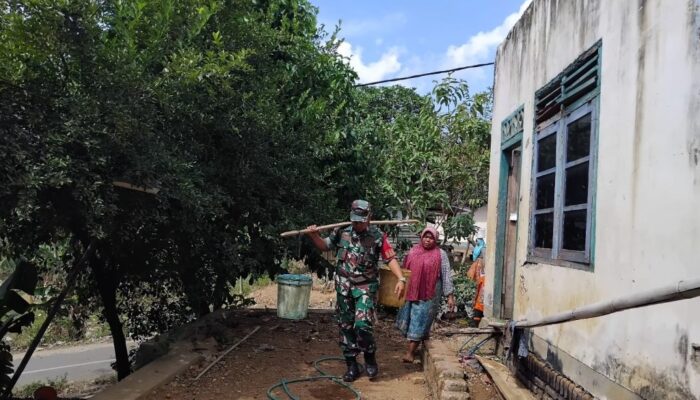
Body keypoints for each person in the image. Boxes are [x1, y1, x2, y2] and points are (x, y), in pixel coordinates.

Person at [305, 199, 405, 382]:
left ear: (369, 217)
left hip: (365, 288)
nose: (357, 224)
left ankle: (369, 357)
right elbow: (324, 246)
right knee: (346, 327)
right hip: (344, 288)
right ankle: (351, 365)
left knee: (362, 325)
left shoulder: (377, 236)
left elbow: (390, 258)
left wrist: (401, 278)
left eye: (360, 220)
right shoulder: (341, 232)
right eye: (354, 220)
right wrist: (314, 236)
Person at [396, 227, 455, 363]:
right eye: (425, 237)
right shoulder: (413, 251)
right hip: (411, 292)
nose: (427, 240)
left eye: (431, 238)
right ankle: (420, 347)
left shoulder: (440, 254)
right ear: (421, 237)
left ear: (435, 240)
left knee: (420, 319)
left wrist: (450, 296)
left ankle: (410, 353)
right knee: (411, 319)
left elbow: (446, 276)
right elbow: (404, 271)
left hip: (429, 294)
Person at [467, 233, 486, 326]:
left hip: (482, 273)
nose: (477, 241)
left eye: (479, 240)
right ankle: (476, 319)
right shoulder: (478, 247)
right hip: (478, 269)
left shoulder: (484, 249)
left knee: (480, 296)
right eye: (477, 239)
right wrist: (471, 241)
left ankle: (476, 320)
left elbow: (484, 262)